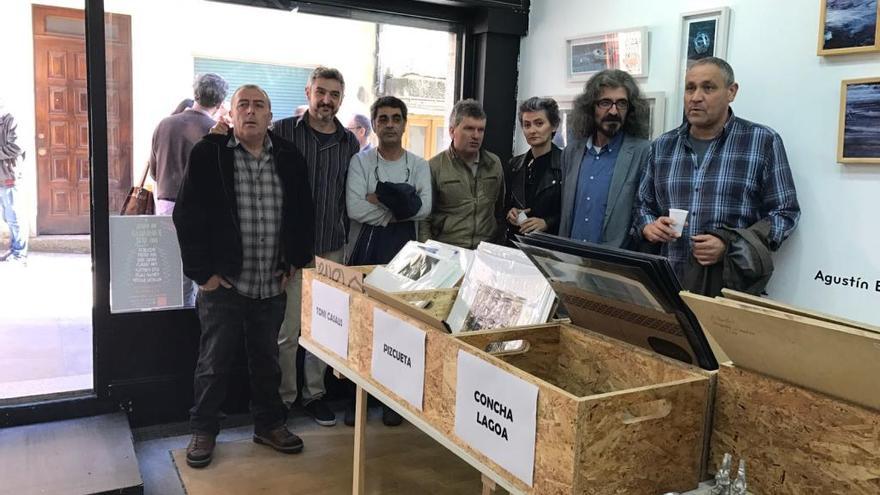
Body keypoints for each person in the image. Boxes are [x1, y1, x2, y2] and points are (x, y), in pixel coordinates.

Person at [173, 84, 314, 469]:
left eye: (259, 105)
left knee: (267, 361)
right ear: (231, 115)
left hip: (271, 283)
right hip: (225, 284)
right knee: (214, 363)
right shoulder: (209, 154)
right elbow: (186, 216)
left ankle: (268, 425)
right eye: (243, 105)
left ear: (271, 116)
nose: (251, 111)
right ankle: (203, 430)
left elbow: (302, 212)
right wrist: (203, 275)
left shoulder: (288, 156)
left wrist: (294, 262)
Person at [636, 57, 800, 295]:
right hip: (669, 286)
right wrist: (649, 226)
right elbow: (643, 205)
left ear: (731, 92)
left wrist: (731, 244)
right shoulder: (662, 146)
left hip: (730, 288)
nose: (696, 97)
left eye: (708, 87)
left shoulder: (761, 142)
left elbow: (785, 213)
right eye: (690, 88)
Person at [272, 67, 360, 426]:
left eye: (334, 95)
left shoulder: (349, 143)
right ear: (308, 91)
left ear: (341, 99)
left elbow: (348, 198)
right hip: (290, 251)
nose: (327, 100)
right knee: (287, 331)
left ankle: (315, 395)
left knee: (323, 330)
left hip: (332, 250)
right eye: (321, 92)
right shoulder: (280, 132)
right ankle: (284, 399)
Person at [345, 96, 431, 427]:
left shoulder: (419, 165)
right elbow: (355, 209)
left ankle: (393, 400)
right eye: (383, 118)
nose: (390, 124)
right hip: (367, 248)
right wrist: (400, 203)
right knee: (364, 326)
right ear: (375, 124)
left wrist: (379, 197)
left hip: (407, 253)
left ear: (404, 124)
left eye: (396, 118)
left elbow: (424, 208)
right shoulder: (361, 163)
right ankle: (359, 399)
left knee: (399, 328)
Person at [149, 73, 228, 306]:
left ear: (195, 93)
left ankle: (173, 327)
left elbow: (154, 171)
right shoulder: (216, 130)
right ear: (220, 102)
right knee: (198, 272)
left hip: (165, 205)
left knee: (172, 273)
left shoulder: (164, 124)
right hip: (200, 210)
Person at [558, 69, 651, 248]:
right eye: (605, 103)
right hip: (571, 261)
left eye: (621, 103)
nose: (614, 111)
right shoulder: (571, 152)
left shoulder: (644, 152)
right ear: (590, 107)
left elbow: (644, 213)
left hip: (613, 266)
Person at [418, 99, 505, 249]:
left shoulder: (494, 163)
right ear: (452, 131)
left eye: (481, 129)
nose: (476, 135)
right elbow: (424, 219)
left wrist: (498, 245)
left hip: (485, 251)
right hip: (448, 250)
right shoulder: (434, 166)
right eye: (469, 128)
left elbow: (500, 209)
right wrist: (429, 252)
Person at [504, 97, 563, 242]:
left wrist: (546, 222)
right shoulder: (514, 164)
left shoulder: (566, 164)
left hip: (549, 246)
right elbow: (505, 204)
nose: (532, 130)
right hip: (516, 244)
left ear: (554, 126)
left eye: (539, 123)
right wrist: (510, 212)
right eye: (527, 125)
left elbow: (574, 211)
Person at [0, 103, 27, 264]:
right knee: (7, 216)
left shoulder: (11, 119)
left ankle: (19, 253)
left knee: (14, 215)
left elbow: (17, 147)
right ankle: (14, 249)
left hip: (10, 175)